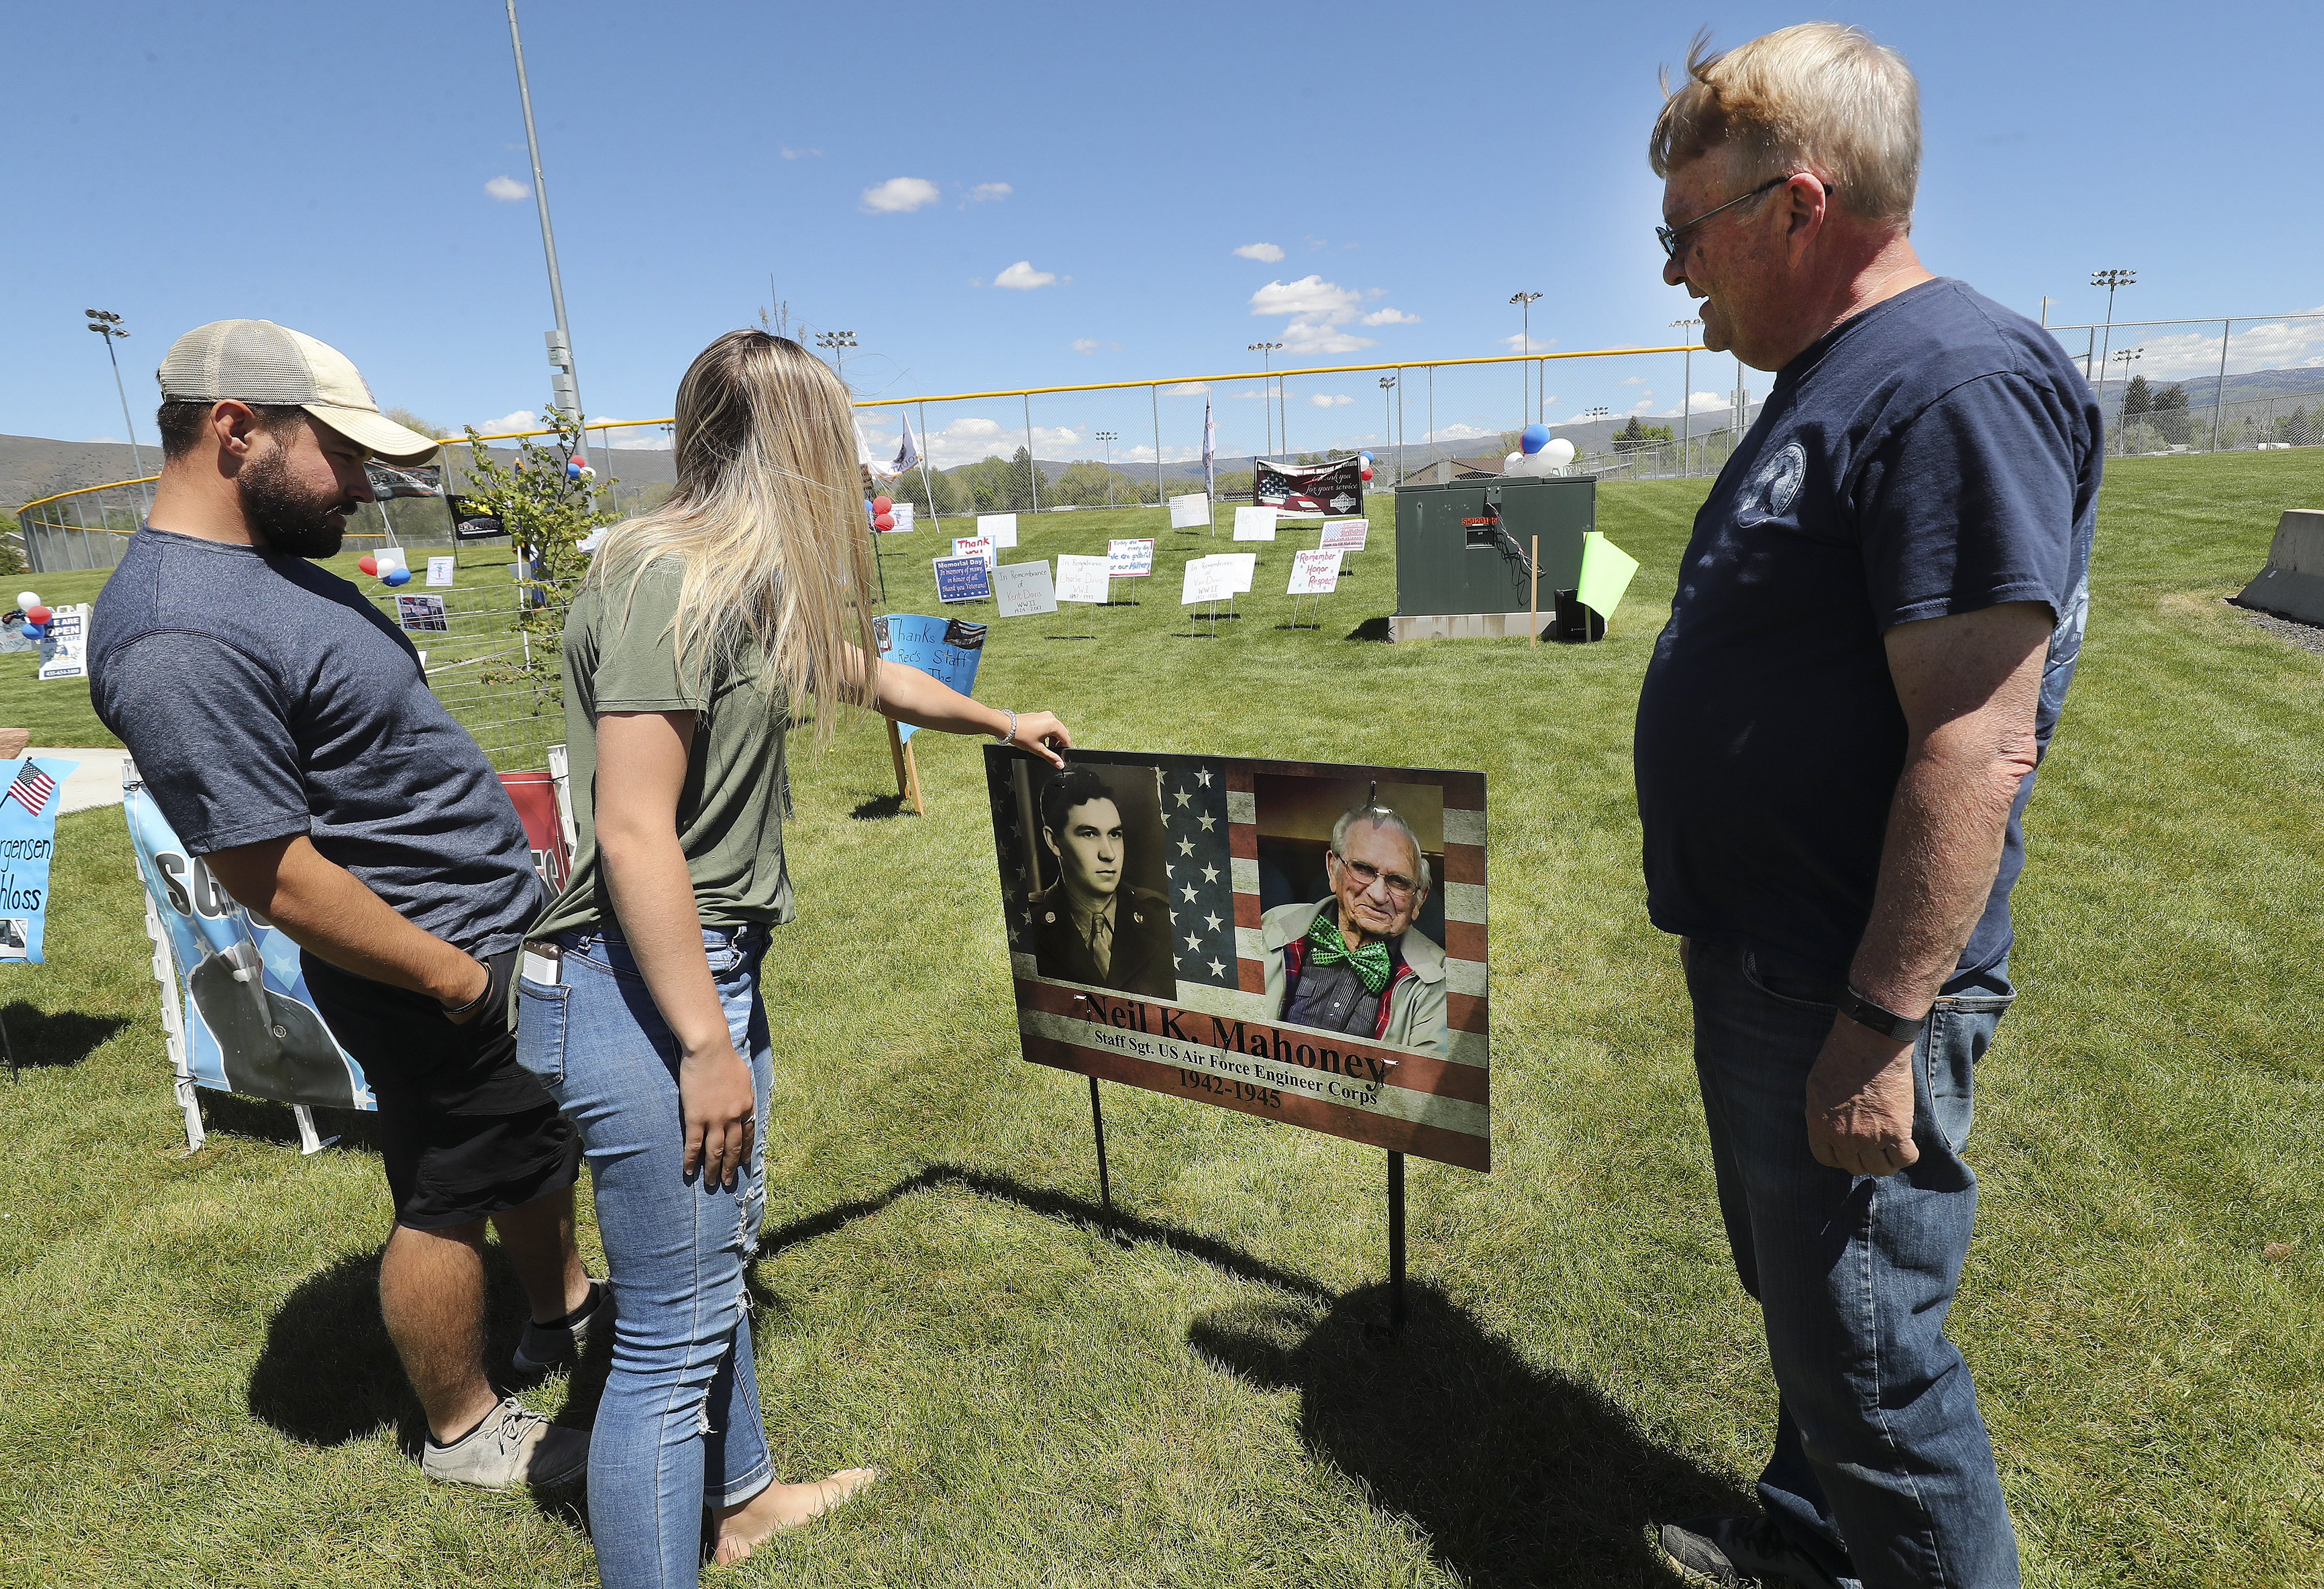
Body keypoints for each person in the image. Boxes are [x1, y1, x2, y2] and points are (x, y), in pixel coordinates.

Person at [1631, 27, 2100, 1589]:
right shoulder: (1832, 378)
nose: (1674, 271)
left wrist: (1878, 1025)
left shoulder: (1950, 378)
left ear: (1794, 206)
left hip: (1846, 980)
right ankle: (1811, 1548)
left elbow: (1976, 738)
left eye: (1684, 231)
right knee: (1811, 1321)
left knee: (1876, 1370)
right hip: (1772, 957)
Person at [512, 329, 1071, 1586]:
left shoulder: (731, 583)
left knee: (706, 1271)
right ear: (792, 448)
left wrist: (997, 719)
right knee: (669, 1335)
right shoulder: (665, 579)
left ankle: (747, 1500)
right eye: (838, 438)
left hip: (681, 967)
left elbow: (859, 673)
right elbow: (631, 826)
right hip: (646, 981)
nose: (853, 460)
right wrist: (706, 1042)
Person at [87, 319, 604, 1491]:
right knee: (444, 1184)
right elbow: (269, 873)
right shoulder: (178, 627)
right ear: (235, 430)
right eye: (341, 452)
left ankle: (559, 1314)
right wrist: (452, 977)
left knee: (517, 1143)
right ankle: (465, 1429)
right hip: (427, 960)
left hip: (476, 933)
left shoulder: (257, 574)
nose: (365, 487)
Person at [1257, 804, 1447, 1056]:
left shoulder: (1441, 980)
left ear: (1419, 900)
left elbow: (1423, 1088)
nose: (1379, 896)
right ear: (1333, 870)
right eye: (1363, 870)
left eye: (1399, 881)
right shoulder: (1270, 926)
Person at [1028, 764, 1174, 999]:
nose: (1109, 854)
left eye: (1115, 834)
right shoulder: (1030, 921)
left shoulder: (1161, 917)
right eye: (1089, 834)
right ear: (1054, 841)